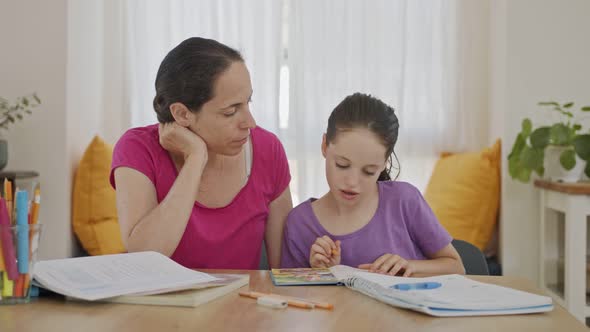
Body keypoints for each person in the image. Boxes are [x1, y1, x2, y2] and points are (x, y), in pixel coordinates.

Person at [110, 37, 292, 269]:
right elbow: (144, 258)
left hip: (244, 305)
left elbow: (286, 273)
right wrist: (195, 159)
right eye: (230, 111)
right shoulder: (137, 149)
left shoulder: (268, 150)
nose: (250, 122)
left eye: (248, 102)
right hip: (160, 306)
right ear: (182, 114)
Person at [280, 93, 464, 276]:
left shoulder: (403, 200)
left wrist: (410, 266)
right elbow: (292, 298)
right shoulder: (299, 223)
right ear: (324, 146)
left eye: (369, 171)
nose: (352, 182)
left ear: (384, 163)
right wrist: (320, 273)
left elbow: (456, 266)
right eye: (342, 165)